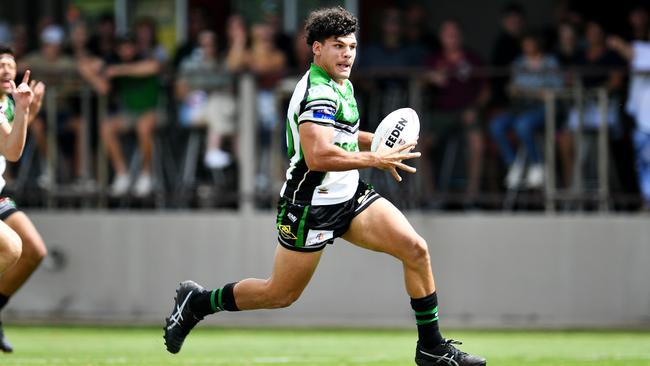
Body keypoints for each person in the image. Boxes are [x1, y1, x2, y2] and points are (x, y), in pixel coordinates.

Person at [163, 7, 486, 366]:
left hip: (348, 194)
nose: (347, 54)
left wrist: (380, 144)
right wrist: (375, 160)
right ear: (317, 49)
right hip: (309, 205)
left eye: (351, 46)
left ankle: (431, 347)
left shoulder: (340, 83)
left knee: (415, 249)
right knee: (279, 294)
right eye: (338, 46)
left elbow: (343, 137)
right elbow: (318, 156)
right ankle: (198, 303)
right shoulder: (318, 91)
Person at [0, 45, 47, 353]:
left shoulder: (7, 102)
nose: (6, 69)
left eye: (10, 64)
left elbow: (11, 146)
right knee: (13, 247)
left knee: (30, 250)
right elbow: (11, 147)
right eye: (0, 64)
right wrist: (26, 111)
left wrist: (27, 109)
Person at [422, 19, 490, 207]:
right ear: (441, 38)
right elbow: (419, 83)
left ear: (460, 36)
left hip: (466, 113)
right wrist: (430, 77)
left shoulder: (472, 59)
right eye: (447, 34)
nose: (451, 38)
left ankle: (472, 197)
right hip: (441, 115)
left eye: (454, 34)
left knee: (477, 143)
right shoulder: (434, 60)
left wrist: (475, 108)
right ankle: (431, 196)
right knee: (419, 145)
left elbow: (486, 92)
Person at [83, 35, 161, 197]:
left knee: (143, 127)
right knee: (106, 127)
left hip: (153, 111)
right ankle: (122, 174)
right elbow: (96, 79)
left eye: (129, 47)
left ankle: (147, 175)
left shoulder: (144, 57)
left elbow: (153, 67)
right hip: (129, 114)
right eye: (123, 48)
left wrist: (119, 70)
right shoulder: (112, 61)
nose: (127, 51)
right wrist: (92, 74)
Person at [490, 33, 562, 189]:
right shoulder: (519, 63)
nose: (528, 47)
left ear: (538, 44)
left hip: (543, 109)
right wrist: (525, 91)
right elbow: (513, 89)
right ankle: (514, 164)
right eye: (525, 44)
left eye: (531, 43)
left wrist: (529, 92)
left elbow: (553, 92)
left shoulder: (550, 62)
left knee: (523, 125)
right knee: (496, 125)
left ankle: (537, 164)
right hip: (521, 107)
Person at [608, 34, 650, 210]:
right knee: (644, 164)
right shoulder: (641, 49)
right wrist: (618, 43)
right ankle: (647, 202)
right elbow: (626, 50)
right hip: (643, 121)